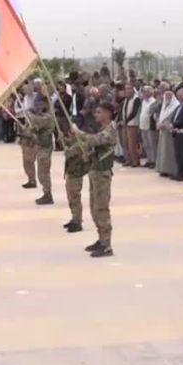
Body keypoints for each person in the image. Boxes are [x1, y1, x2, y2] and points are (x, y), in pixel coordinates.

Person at [73, 102, 117, 257]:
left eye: (99, 112)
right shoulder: (102, 128)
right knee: (94, 207)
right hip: (95, 171)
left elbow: (95, 140)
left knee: (101, 208)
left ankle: (107, 245)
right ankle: (101, 238)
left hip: (102, 174)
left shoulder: (111, 130)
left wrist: (78, 132)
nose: (96, 115)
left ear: (107, 114)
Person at [28, 100, 56, 205]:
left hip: (46, 148)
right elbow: (35, 127)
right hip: (41, 147)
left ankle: (48, 194)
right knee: (41, 172)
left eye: (41, 104)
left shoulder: (48, 117)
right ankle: (46, 193)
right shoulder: (44, 116)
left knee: (44, 172)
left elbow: (39, 122)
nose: (39, 107)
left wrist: (30, 114)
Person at [62, 129, 89, 234]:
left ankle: (78, 221)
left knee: (74, 197)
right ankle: (74, 217)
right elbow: (69, 143)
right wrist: (63, 139)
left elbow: (68, 153)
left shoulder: (79, 146)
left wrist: (65, 146)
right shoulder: (75, 143)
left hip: (76, 174)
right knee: (70, 197)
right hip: (71, 172)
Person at [154, 90, 178, 177]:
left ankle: (170, 169)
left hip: (170, 131)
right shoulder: (164, 106)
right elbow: (161, 117)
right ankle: (163, 169)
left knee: (169, 151)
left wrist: (166, 125)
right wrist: (159, 123)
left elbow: (174, 119)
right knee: (163, 151)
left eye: (169, 96)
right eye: (166, 96)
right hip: (163, 131)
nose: (167, 98)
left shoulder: (176, 106)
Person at [138, 86, 158, 169]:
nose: (144, 93)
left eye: (146, 91)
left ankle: (154, 161)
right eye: (143, 92)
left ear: (150, 92)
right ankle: (149, 160)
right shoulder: (143, 101)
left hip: (150, 126)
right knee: (146, 144)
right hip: (143, 125)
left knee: (152, 144)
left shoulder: (153, 101)